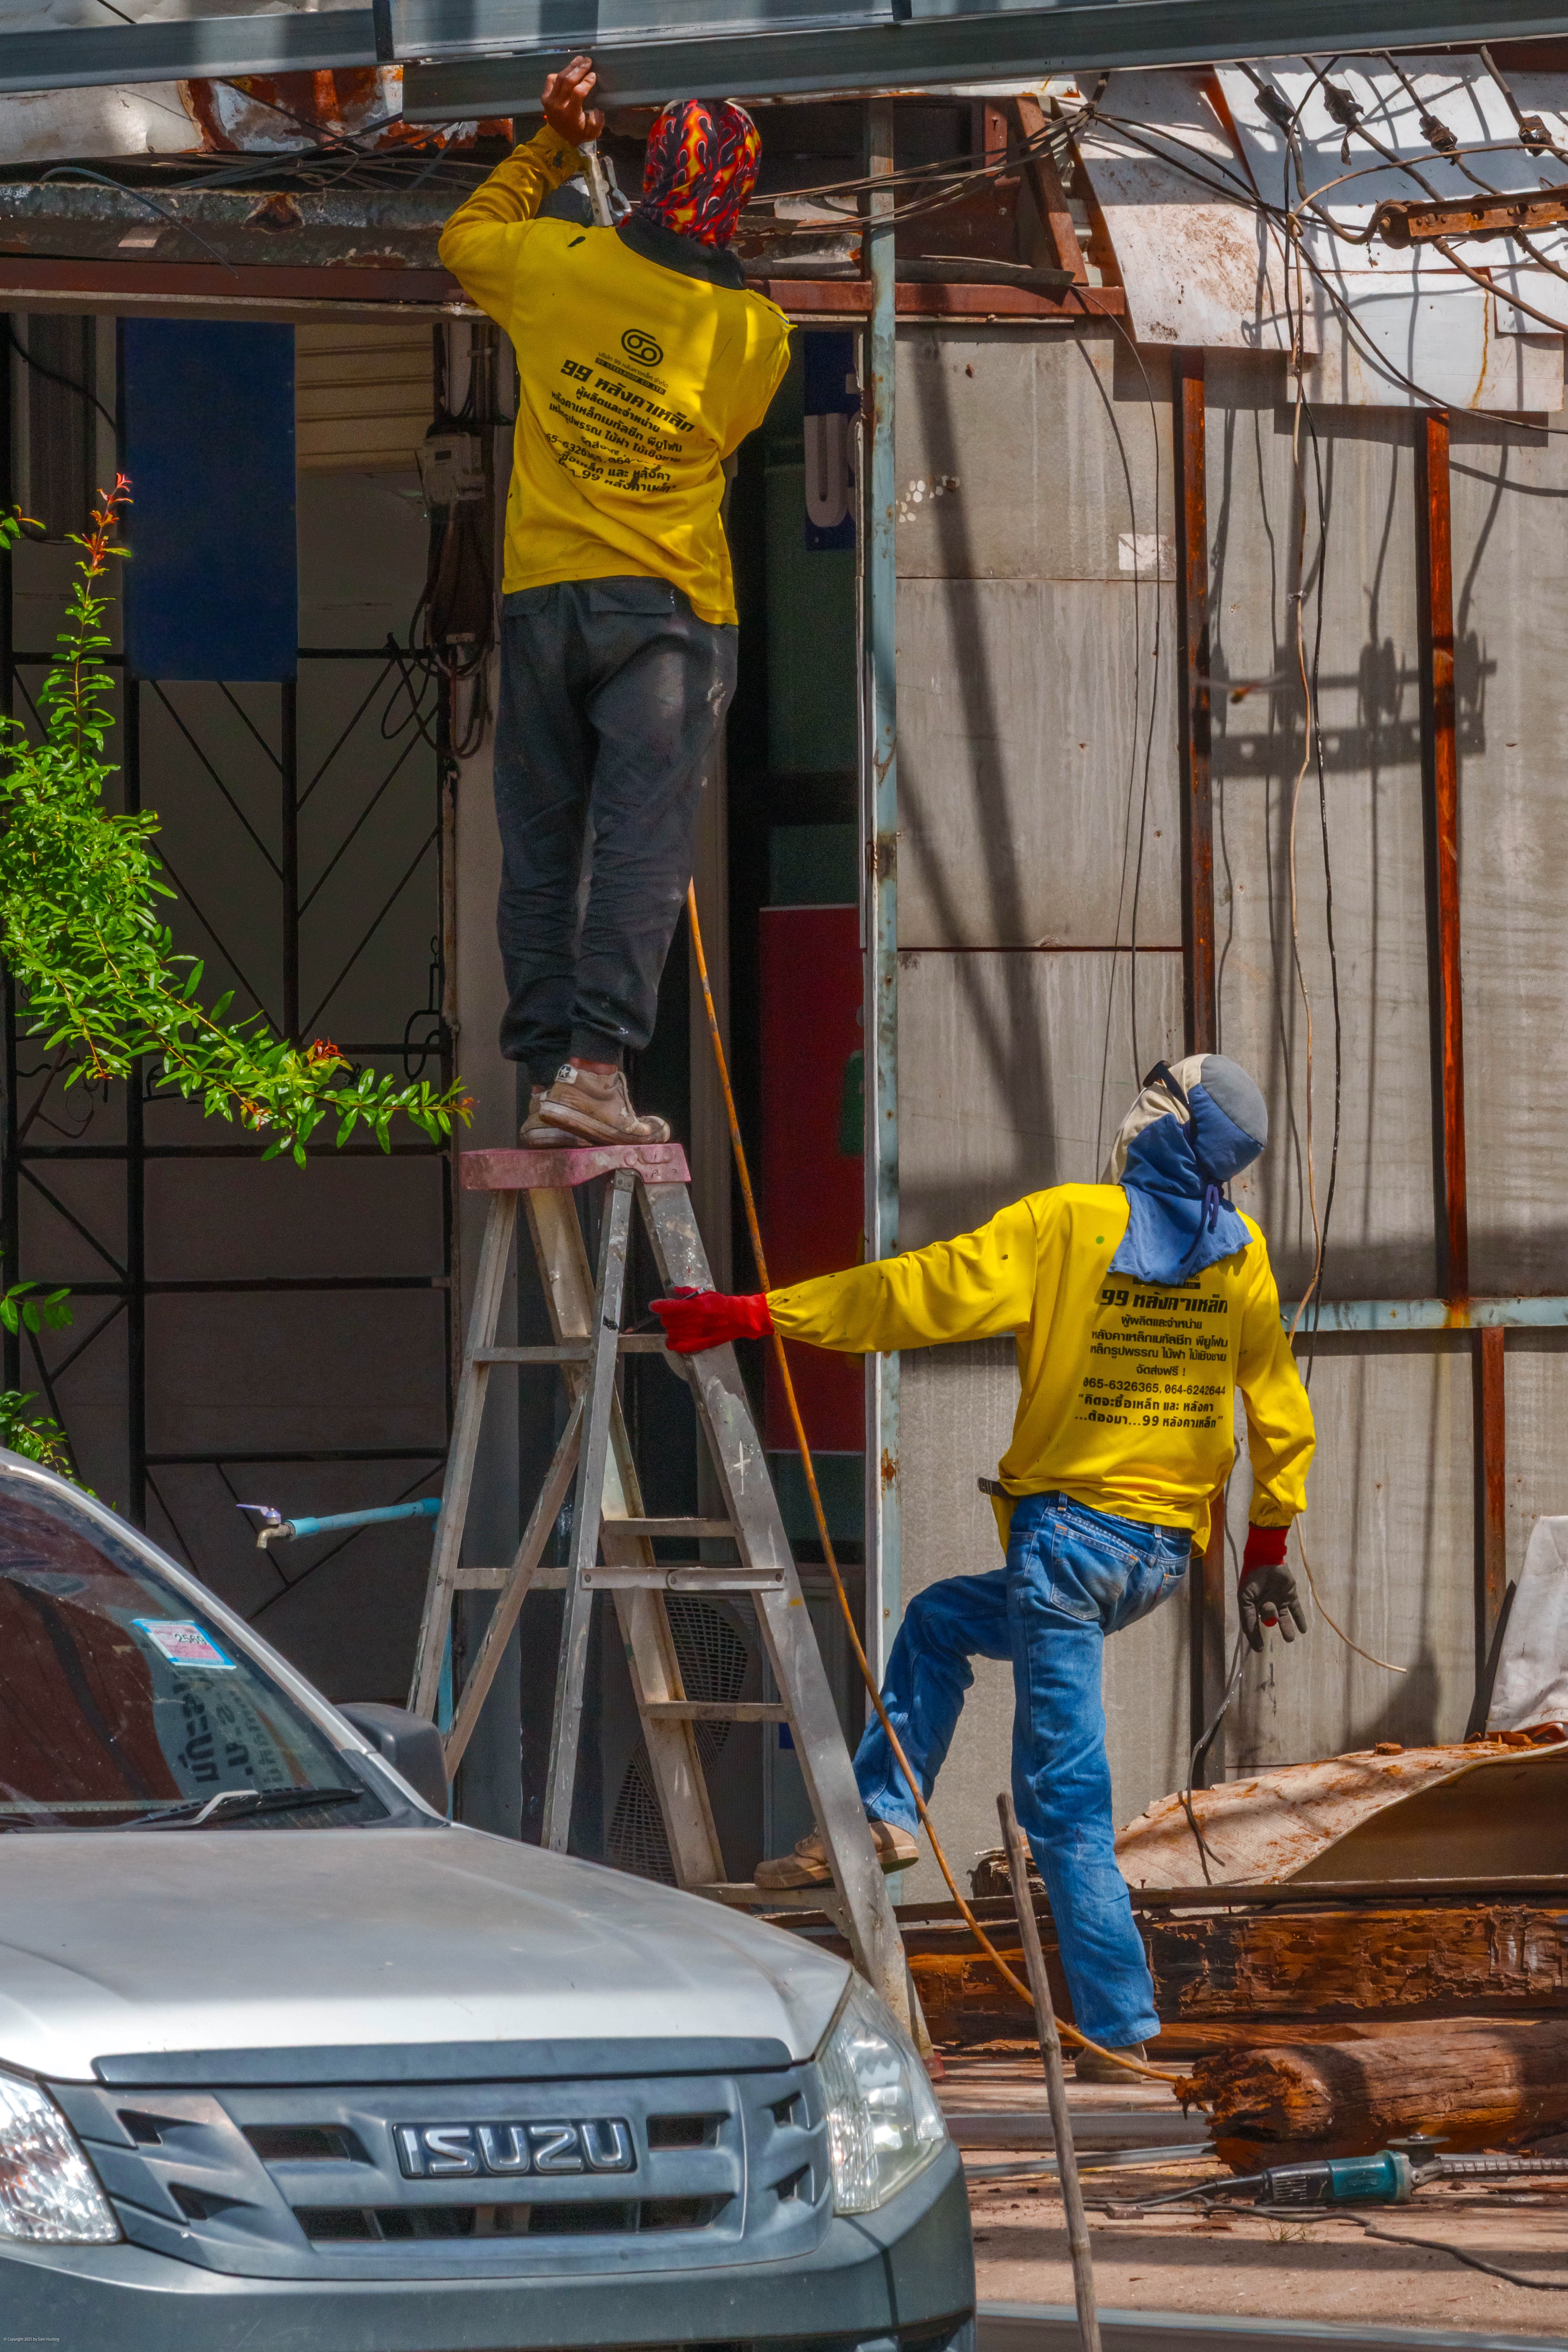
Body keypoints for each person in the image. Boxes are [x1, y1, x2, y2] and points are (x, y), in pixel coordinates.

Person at [652, 1054, 1315, 2077]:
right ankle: (876, 1813)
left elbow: (918, 1294)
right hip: (1156, 1558)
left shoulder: (1069, 1223)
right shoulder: (1241, 1254)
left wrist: (758, 1315)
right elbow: (1278, 1409)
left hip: (1066, 1547)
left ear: (1165, 1131)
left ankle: (1120, 2031)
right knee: (938, 1621)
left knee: (1063, 1803)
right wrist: (1266, 1542)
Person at [440, 60, 790, 1146]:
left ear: (646, 176)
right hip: (671, 616)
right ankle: (596, 1072)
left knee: (540, 848)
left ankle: (548, 1069)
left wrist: (547, 146)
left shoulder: (555, 261)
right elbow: (725, 435)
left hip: (545, 600)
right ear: (734, 196)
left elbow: (464, 238)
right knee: (641, 841)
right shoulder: (752, 331)